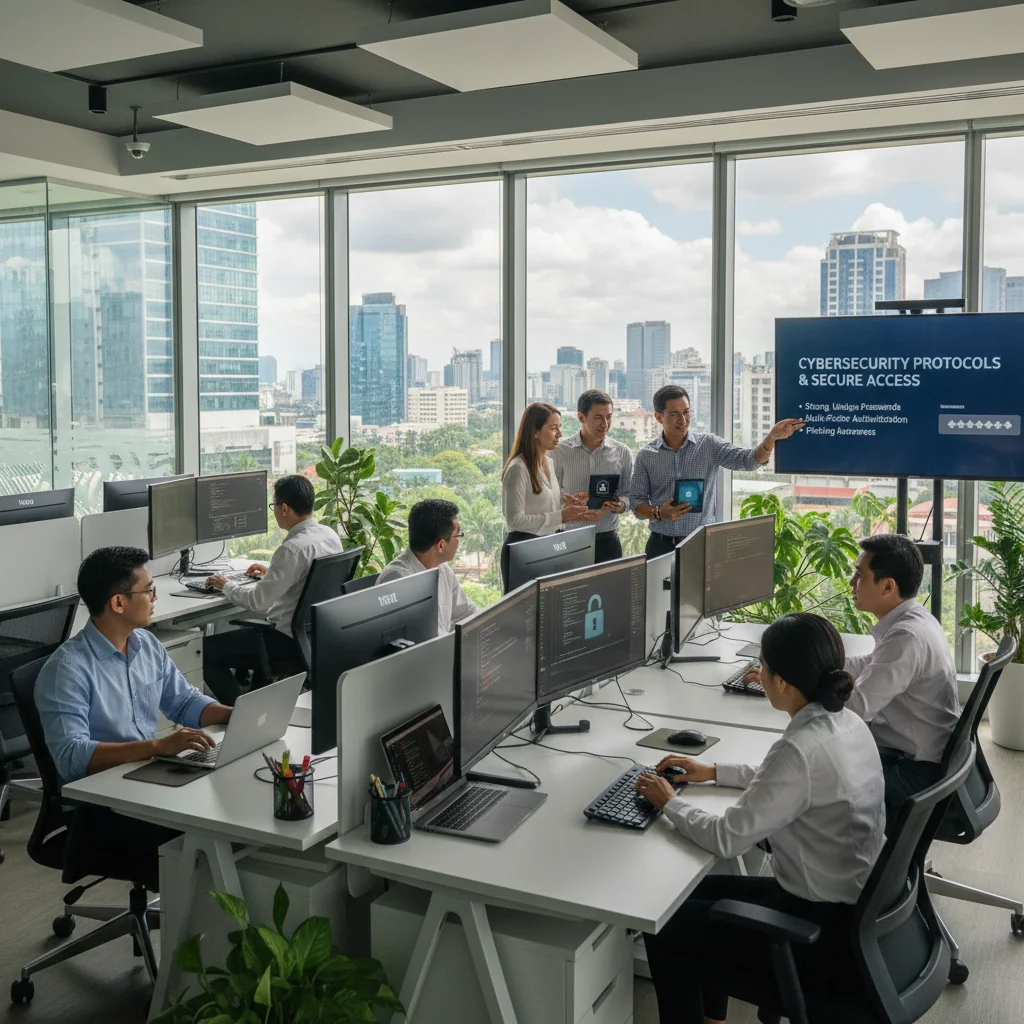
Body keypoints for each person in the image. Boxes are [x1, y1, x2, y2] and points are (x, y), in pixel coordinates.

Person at [635, 613, 885, 1024]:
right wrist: (713, 771)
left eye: (763, 667)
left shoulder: (799, 748)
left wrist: (669, 802)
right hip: (852, 912)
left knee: (666, 924)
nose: (759, 674)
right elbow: (789, 782)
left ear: (781, 682)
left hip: (816, 932)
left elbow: (726, 838)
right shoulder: (847, 722)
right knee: (683, 900)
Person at [35, 546, 233, 889]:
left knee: (224, 803)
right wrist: (159, 746)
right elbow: (71, 757)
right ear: (118, 603)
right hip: (102, 809)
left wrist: (236, 713)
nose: (156, 597)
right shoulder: (67, 670)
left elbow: (184, 702)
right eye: (149, 590)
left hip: (145, 779)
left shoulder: (146, 645)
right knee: (208, 831)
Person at [203, 473, 342, 704]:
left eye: (274, 505)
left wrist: (225, 584)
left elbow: (258, 601)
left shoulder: (292, 549)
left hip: (284, 642)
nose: (275, 511)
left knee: (205, 652)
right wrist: (273, 573)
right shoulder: (329, 536)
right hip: (313, 639)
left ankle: (240, 714)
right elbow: (308, 578)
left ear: (284, 508)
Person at [628, 384, 805, 558]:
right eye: (674, 414)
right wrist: (658, 513)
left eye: (686, 412)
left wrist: (771, 438)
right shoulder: (646, 455)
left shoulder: (709, 445)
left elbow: (748, 461)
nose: (682, 420)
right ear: (659, 417)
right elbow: (636, 502)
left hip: (701, 546)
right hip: (660, 545)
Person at [499, 402, 601, 589]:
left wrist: (567, 505)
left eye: (559, 427)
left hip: (549, 548)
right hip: (524, 552)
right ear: (535, 432)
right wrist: (561, 515)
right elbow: (515, 521)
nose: (560, 434)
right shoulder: (518, 468)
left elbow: (542, 506)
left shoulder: (548, 462)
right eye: (553, 428)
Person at [552, 389, 634, 563]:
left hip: (608, 541)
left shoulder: (623, 453)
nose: (605, 424)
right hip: (569, 539)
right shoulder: (560, 452)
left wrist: (620, 505)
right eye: (598, 417)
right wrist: (569, 505)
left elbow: (630, 496)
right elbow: (550, 496)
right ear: (581, 417)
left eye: (609, 417)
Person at [376, 498, 478, 635]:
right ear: (440, 545)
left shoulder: (443, 569)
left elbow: (469, 613)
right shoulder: (397, 581)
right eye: (458, 535)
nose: (459, 540)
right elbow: (417, 641)